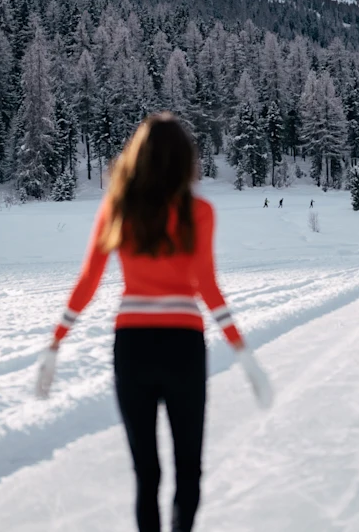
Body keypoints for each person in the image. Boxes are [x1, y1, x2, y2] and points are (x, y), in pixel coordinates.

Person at [36, 113, 272, 532]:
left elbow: (89, 279)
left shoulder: (118, 207)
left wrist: (56, 341)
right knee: (187, 469)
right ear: (184, 159)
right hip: (183, 345)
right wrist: (242, 350)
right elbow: (207, 287)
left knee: (147, 474)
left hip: (133, 346)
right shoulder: (199, 211)